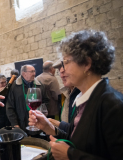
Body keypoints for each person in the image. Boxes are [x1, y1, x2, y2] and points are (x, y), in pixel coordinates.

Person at [28, 30, 123, 159]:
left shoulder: (112, 104)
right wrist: (49, 128)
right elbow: (75, 139)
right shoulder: (84, 98)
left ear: (86, 64)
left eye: (66, 62)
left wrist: (70, 155)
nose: (62, 69)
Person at [6, 65, 49, 132]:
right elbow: (10, 107)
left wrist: (42, 114)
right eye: (32, 72)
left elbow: (45, 101)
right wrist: (15, 124)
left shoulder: (40, 85)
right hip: (22, 124)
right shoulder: (14, 87)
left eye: (34, 71)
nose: (34, 74)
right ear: (24, 73)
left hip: (38, 123)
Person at [48, 60, 80, 132]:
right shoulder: (64, 93)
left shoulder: (83, 94)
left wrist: (57, 124)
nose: (62, 75)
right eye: (59, 70)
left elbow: (81, 131)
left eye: (64, 69)